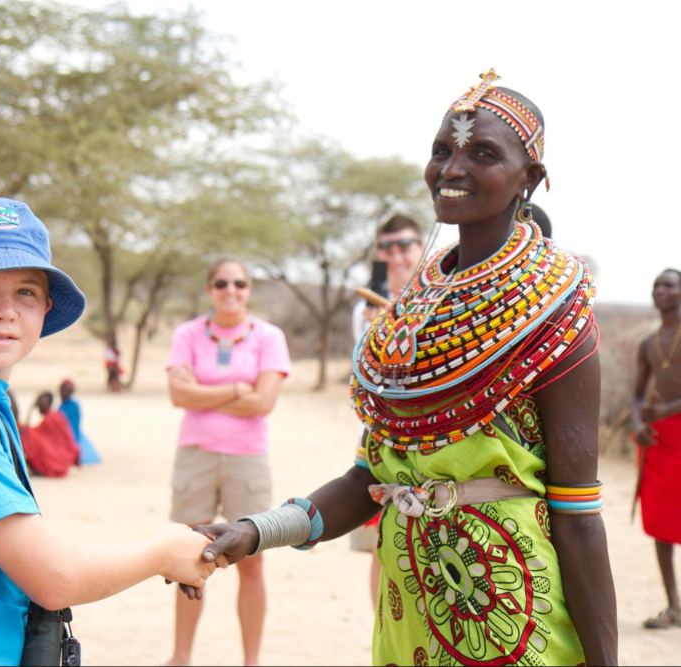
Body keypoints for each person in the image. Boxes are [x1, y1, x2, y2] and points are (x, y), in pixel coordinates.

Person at [192, 70, 618, 666]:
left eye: (483, 153)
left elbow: (576, 516)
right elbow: (365, 480)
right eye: (442, 150)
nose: (453, 168)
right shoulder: (412, 315)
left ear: (532, 179)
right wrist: (257, 530)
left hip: (512, 609)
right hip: (409, 607)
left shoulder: (555, 315)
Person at [0, 197, 217, 665]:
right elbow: (54, 578)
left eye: (26, 291)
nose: (6, 310)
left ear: (46, 307)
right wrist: (161, 553)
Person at [165, 257, 291, 667]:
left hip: (247, 460)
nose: (231, 291)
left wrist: (205, 390)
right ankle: (181, 657)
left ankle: (251, 661)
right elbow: (179, 396)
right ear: (209, 289)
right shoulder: (187, 334)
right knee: (188, 560)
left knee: (251, 563)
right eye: (221, 283)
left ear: (249, 290)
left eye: (239, 283)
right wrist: (239, 388)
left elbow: (265, 402)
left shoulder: (268, 336)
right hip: (196, 456)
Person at [350, 214, 425, 608]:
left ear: (421, 247)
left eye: (405, 244)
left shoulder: (444, 303)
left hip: (432, 446)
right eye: (387, 247)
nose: (396, 255)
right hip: (381, 445)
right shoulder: (366, 312)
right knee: (382, 544)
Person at [631, 268, 681, 629]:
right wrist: (637, 425)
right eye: (657, 286)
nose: (660, 291)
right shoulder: (649, 344)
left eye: (669, 285)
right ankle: (674, 607)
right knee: (663, 523)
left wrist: (668, 409)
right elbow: (635, 396)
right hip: (659, 440)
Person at [21, 390, 79, 477]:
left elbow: (28, 433)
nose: (39, 406)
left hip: (57, 458)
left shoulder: (52, 418)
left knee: (28, 436)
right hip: (61, 458)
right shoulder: (56, 416)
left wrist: (30, 410)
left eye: (41, 403)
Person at [58, 378, 102, 464]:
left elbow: (72, 425)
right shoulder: (64, 405)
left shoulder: (73, 405)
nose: (63, 393)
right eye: (63, 390)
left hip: (72, 436)